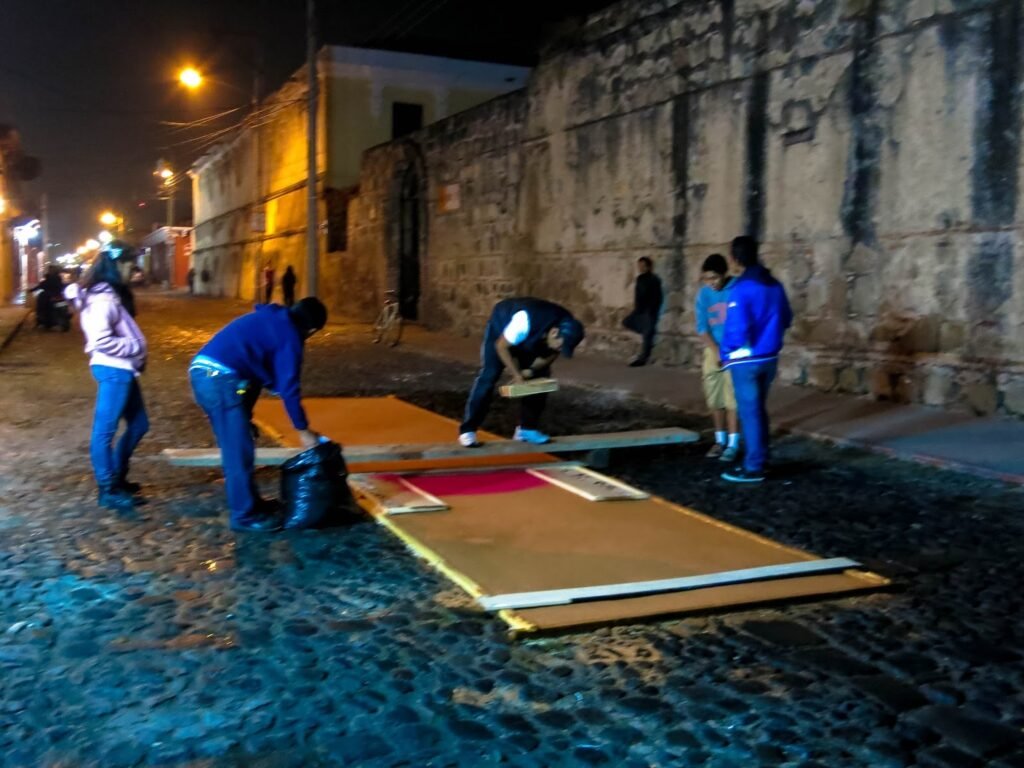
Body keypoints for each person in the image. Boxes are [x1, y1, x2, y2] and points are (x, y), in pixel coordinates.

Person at [189, 297, 327, 532]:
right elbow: (289, 389)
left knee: (241, 446)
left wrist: (246, 416)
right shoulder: (290, 336)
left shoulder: (272, 319)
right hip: (219, 381)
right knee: (237, 453)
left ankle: (252, 504)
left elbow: (253, 375)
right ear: (311, 330)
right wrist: (304, 432)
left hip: (208, 374)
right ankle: (243, 516)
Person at [64, 251, 149, 512]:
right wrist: (134, 346)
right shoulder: (103, 300)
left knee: (139, 424)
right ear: (116, 266)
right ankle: (108, 488)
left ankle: (118, 476)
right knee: (104, 431)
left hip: (122, 370)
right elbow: (100, 340)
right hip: (114, 369)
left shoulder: (109, 295)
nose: (132, 269)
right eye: (128, 264)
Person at [458, 297, 585, 447]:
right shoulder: (523, 322)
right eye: (560, 346)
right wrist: (517, 374)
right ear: (554, 332)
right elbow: (502, 347)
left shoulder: (566, 326)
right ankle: (468, 430)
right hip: (502, 328)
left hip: (534, 336)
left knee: (541, 378)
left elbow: (552, 353)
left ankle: (527, 429)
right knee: (489, 375)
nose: (559, 350)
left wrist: (530, 371)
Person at [719, 236, 792, 484]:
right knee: (759, 409)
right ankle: (761, 457)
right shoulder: (775, 285)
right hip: (769, 356)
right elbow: (786, 317)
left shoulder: (741, 288)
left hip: (745, 360)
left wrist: (726, 352)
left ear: (735, 258)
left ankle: (754, 466)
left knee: (750, 412)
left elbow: (737, 330)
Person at [695, 253, 740, 462]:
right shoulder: (703, 295)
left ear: (724, 274)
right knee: (715, 398)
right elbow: (703, 328)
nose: (711, 283)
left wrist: (728, 351)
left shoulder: (736, 289)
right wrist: (716, 351)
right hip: (713, 351)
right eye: (707, 278)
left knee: (733, 400)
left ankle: (733, 443)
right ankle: (719, 440)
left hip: (735, 351)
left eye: (714, 278)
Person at [622, 256, 663, 366]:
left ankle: (643, 358)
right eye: (639, 266)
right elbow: (638, 294)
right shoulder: (640, 278)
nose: (640, 268)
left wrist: (652, 309)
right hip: (639, 309)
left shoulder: (654, 280)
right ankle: (646, 334)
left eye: (643, 266)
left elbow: (657, 296)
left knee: (647, 335)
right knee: (627, 322)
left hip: (649, 310)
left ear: (648, 267)